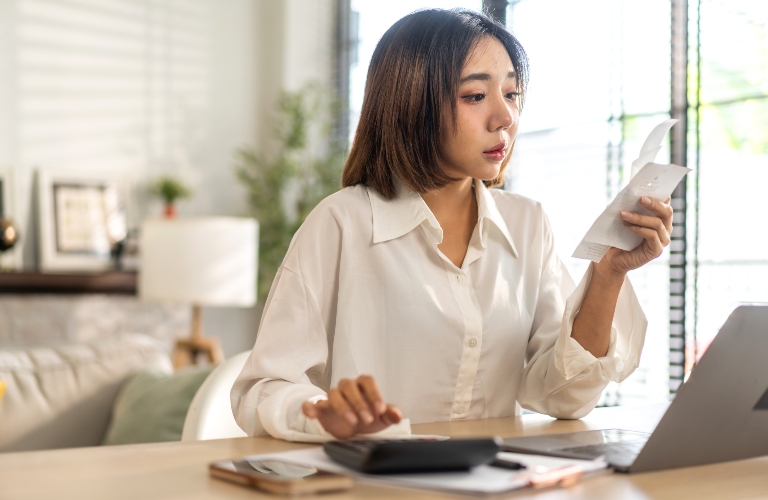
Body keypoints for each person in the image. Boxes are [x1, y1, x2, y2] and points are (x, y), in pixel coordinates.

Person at [231, 8, 671, 442]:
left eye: (512, 94)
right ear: (411, 104)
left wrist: (608, 275)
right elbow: (262, 390)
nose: (505, 118)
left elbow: (565, 397)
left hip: (495, 483)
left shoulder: (527, 223)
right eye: (475, 96)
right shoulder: (342, 223)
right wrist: (326, 413)